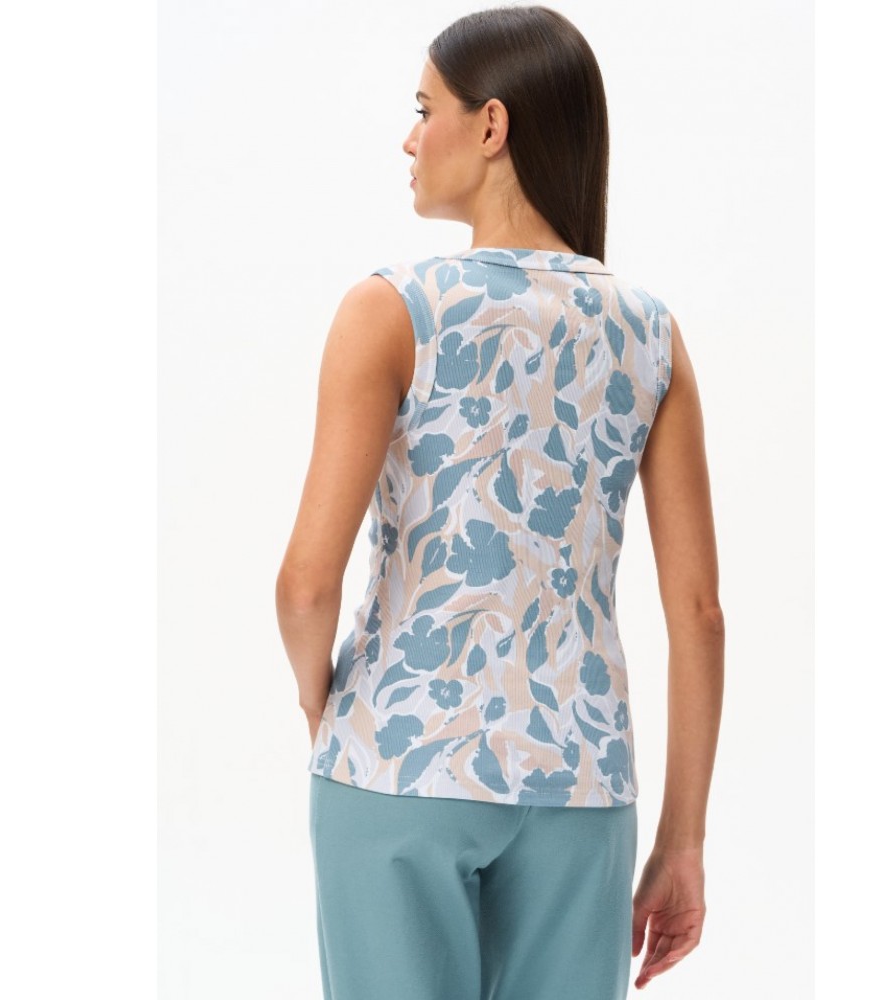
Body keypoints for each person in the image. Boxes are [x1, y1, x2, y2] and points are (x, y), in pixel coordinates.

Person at [275, 6, 724, 998]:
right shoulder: (650, 335)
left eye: (423, 109)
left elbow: (306, 583)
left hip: (398, 763)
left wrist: (320, 701)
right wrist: (682, 840)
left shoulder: (389, 310)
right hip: (582, 782)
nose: (409, 139)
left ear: (490, 125)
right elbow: (698, 612)